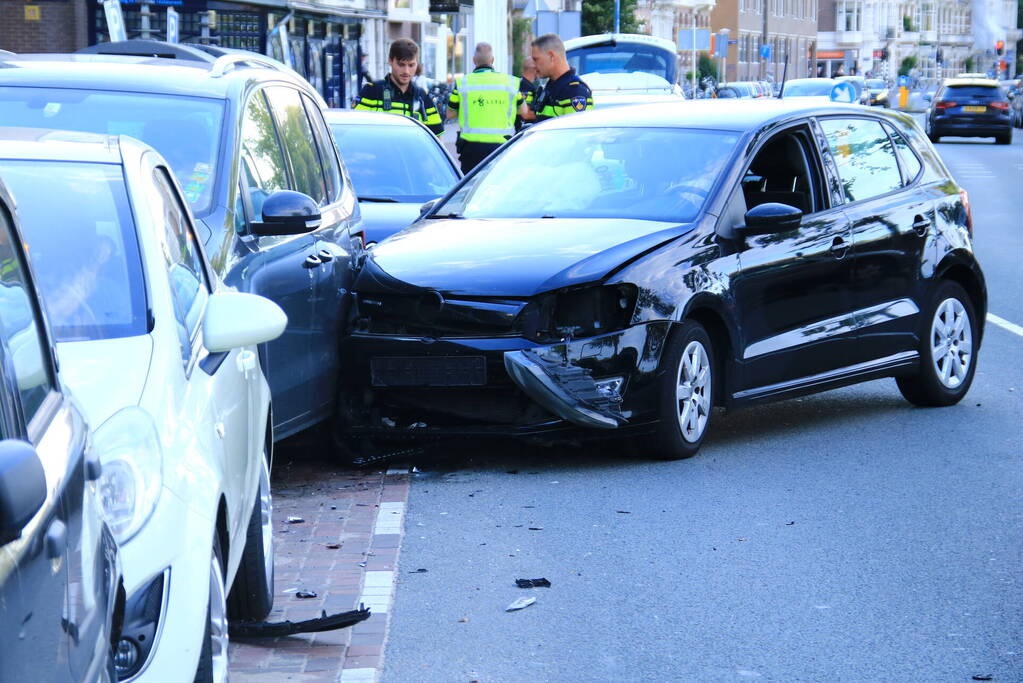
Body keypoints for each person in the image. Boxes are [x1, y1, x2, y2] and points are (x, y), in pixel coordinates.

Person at [446, 42, 523, 173]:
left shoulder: (462, 83)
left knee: (471, 189)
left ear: (474, 60)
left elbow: (450, 114)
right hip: (502, 147)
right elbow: (523, 111)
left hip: (471, 149)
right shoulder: (511, 82)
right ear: (492, 60)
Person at [354, 38, 444, 136]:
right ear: (390, 61)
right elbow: (355, 132)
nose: (406, 71)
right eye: (401, 64)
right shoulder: (371, 92)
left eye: (411, 65)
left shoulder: (422, 96)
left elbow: (437, 136)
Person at [521, 33, 593, 123]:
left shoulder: (574, 91)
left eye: (536, 59)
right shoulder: (550, 88)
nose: (534, 65)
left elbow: (577, 131)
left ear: (551, 56)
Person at [515, 56, 540, 132]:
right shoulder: (526, 87)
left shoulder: (519, 82)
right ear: (535, 69)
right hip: (522, 130)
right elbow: (525, 114)